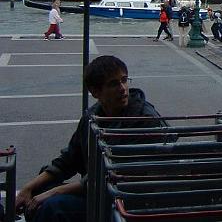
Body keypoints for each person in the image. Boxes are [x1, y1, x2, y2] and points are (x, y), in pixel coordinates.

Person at [16, 56, 166, 221]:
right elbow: (69, 159)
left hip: (126, 201)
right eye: (114, 84)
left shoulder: (143, 119)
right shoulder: (92, 116)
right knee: (39, 191)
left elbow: (115, 175)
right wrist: (28, 188)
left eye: (124, 80)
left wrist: (54, 192)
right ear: (95, 92)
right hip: (98, 191)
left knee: (52, 206)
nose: (123, 88)